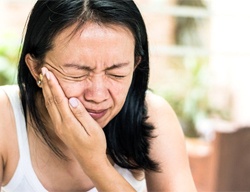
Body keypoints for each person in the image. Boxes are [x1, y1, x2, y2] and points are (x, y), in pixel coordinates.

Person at [0, 0, 197, 191]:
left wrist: (95, 163)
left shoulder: (154, 117)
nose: (97, 95)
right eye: (77, 73)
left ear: (135, 66)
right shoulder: (5, 117)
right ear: (35, 68)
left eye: (116, 73)